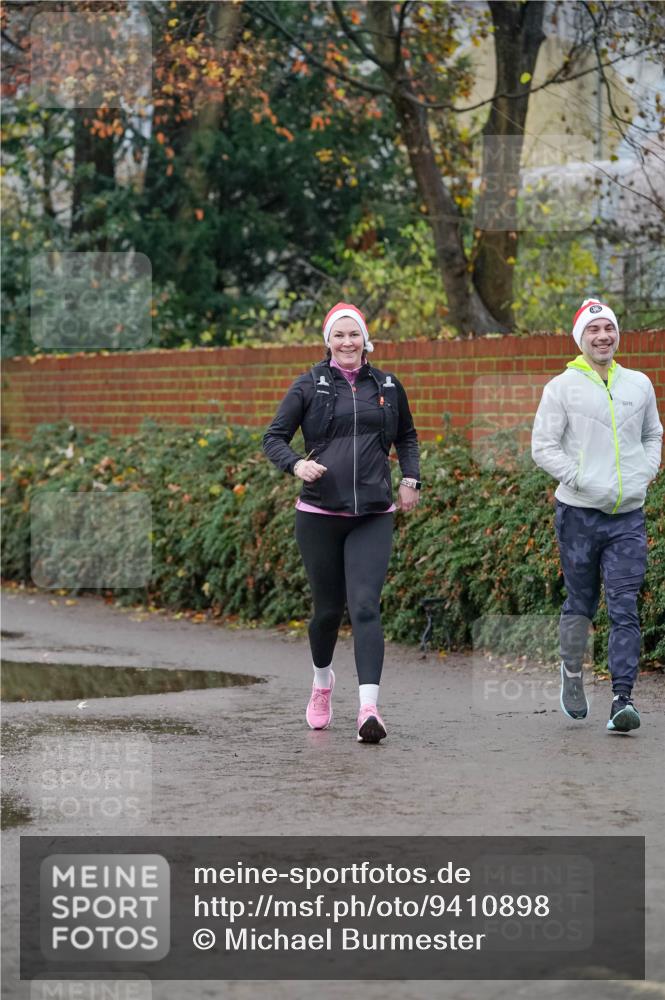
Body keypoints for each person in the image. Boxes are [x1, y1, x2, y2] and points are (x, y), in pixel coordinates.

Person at [263, 302, 421, 743]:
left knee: (366, 606)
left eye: (355, 335)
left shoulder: (387, 385)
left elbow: (407, 435)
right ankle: (321, 683)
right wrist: (296, 466)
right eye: (339, 335)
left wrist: (411, 479)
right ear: (328, 341)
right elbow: (272, 438)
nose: (348, 342)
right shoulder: (309, 385)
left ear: (365, 339)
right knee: (328, 612)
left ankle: (369, 709)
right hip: (318, 514)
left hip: (373, 512)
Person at [532, 298, 662, 733]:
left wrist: (645, 473)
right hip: (579, 515)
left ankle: (622, 699)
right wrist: (581, 478)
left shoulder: (638, 384)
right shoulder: (561, 388)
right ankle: (572, 670)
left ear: (617, 334)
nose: (603, 335)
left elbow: (652, 434)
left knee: (624, 607)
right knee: (581, 604)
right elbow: (543, 447)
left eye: (609, 328)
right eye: (593, 330)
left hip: (628, 516)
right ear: (580, 339)